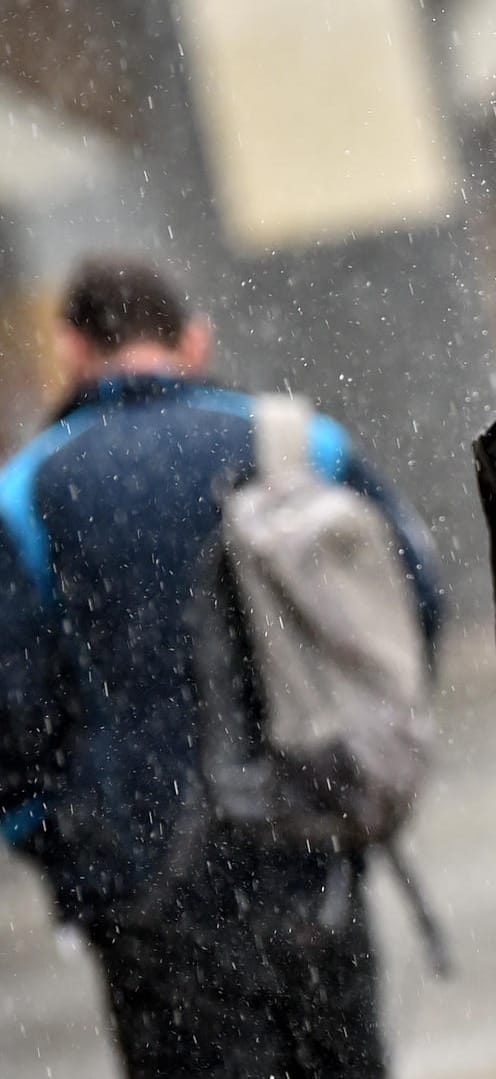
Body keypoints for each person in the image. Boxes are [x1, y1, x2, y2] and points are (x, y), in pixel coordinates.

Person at [0, 258, 441, 1078]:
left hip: (149, 883)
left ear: (71, 347)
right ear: (193, 339)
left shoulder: (25, 492)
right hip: (313, 842)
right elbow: (414, 602)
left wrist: (67, 851)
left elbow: (14, 710)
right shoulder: (298, 441)